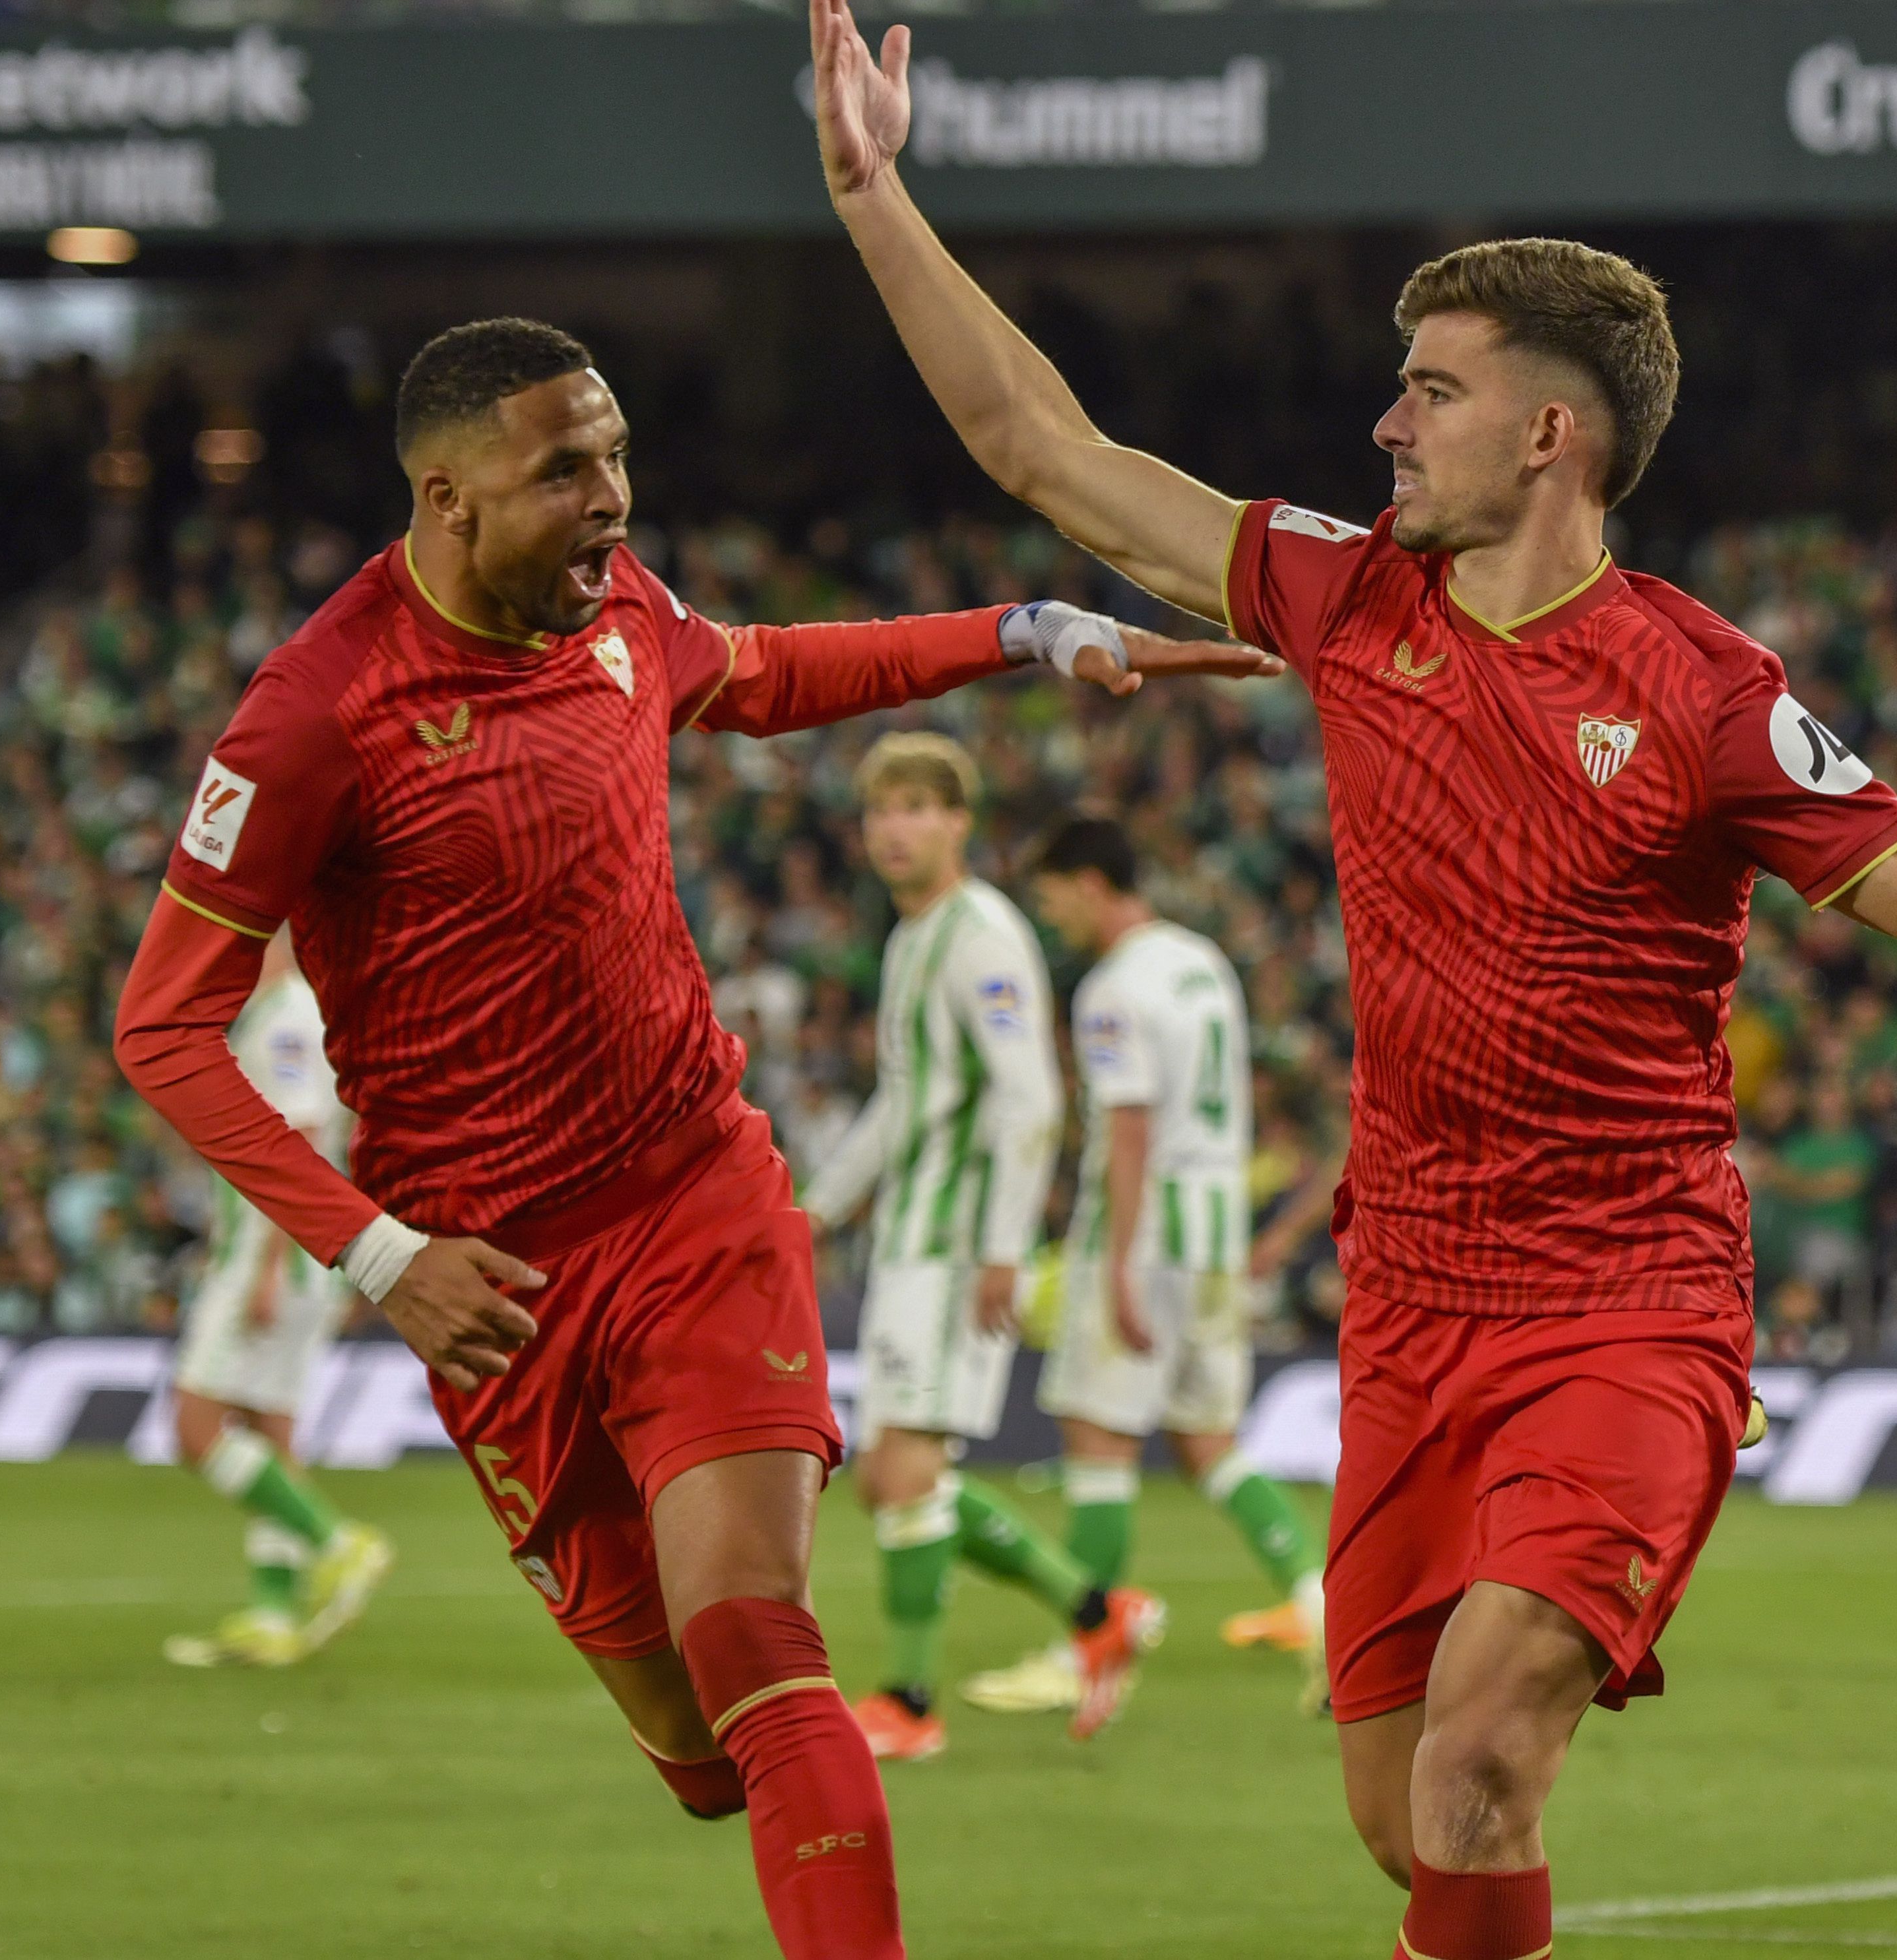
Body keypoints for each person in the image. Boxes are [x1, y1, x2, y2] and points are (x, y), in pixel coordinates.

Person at [810, 0, 1897, 1960]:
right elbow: (1045, 450)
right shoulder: (1349, 601)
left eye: (1428, 389)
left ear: (1552, 432)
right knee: (1404, 1812)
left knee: (1476, 1764)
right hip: (1411, 1300)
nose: (1386, 422)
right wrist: (870, 197)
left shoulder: (1704, 693)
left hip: (1631, 1301)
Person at [112, 314, 1273, 1960]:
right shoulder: (317, 713)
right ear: (446, 501)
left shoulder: (616, 617)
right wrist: (379, 1258)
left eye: (617, 455)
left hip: (693, 1202)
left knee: (759, 1643)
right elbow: (158, 1029)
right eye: (565, 471)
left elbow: (768, 670)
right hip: (489, 1283)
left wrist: (1025, 628)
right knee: (695, 1760)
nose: (613, 501)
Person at [798, 732, 1159, 1763]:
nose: (895, 827)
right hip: (913, 1237)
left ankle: (911, 1701)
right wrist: (818, 1208)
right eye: (880, 810)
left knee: (905, 1471)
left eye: (918, 805)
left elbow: (1030, 1096)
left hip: (958, 1245)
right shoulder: (915, 937)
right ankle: (1095, 1611)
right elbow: (903, 1098)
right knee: (892, 1477)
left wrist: (1003, 1244)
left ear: (959, 821)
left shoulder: (982, 934)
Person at [1019, 811, 1328, 1717]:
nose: (1052, 915)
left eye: (1052, 896)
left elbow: (1129, 1120)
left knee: (1098, 1434)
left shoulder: (1112, 987)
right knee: (1208, 1440)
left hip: (1146, 1230)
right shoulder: (1200, 960)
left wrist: (1115, 1261)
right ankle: (1318, 1602)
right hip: (1213, 1229)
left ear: (1088, 881)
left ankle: (1089, 1651)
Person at [161, 928, 396, 1671]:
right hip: (294, 1258)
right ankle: (273, 1613)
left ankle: (337, 1542)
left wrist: (263, 1266)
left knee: (197, 1428)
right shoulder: (272, 1013)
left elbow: (298, 1133)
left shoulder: (290, 1013)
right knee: (269, 1436)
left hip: (278, 1255)